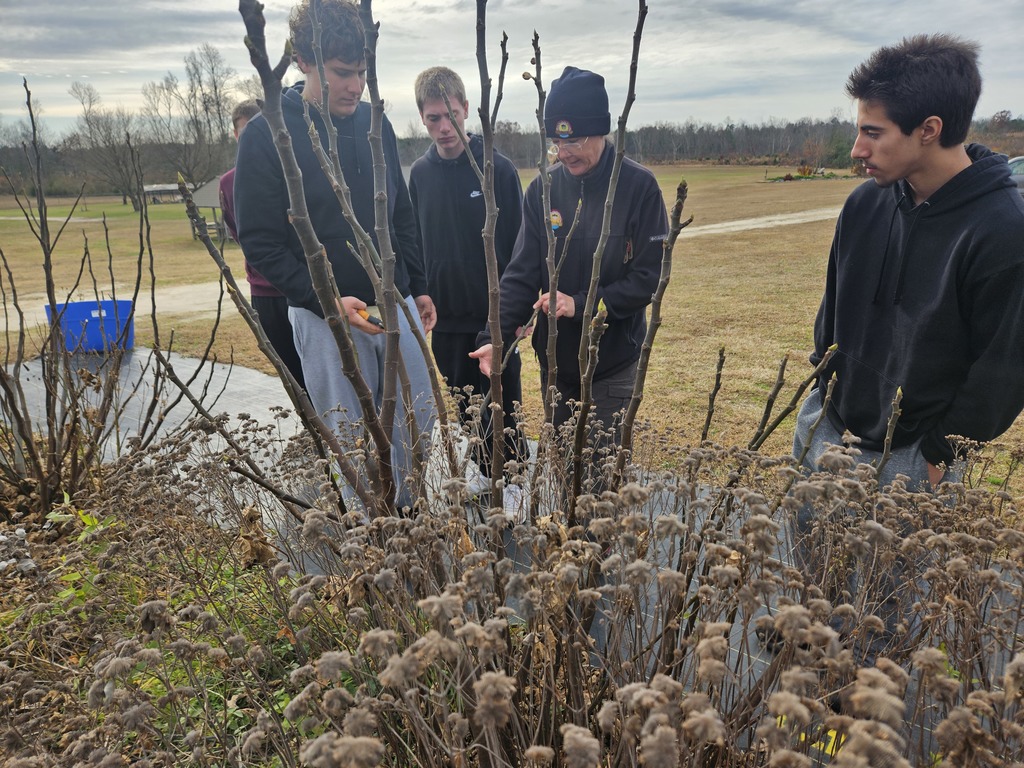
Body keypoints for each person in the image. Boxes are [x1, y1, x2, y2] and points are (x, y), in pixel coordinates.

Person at [794, 33, 1024, 490]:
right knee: (804, 562)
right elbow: (833, 311)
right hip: (827, 431)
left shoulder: (1005, 229)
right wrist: (821, 399)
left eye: (872, 132)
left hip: (915, 462)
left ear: (929, 129)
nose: (858, 149)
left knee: (891, 568)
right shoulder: (863, 205)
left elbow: (1003, 370)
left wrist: (938, 455)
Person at [233, 0, 436, 509]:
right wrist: (324, 299)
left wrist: (414, 286)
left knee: (419, 425)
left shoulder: (375, 123)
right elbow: (261, 241)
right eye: (344, 73)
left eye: (363, 72)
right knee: (351, 445)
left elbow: (401, 215)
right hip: (325, 320)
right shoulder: (267, 135)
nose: (356, 85)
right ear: (303, 60)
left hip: (393, 305)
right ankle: (371, 545)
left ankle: (413, 528)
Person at [470, 66, 668, 491]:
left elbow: (650, 277)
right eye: (556, 141)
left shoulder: (639, 188)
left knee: (603, 485)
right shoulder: (542, 191)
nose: (564, 152)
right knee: (564, 475)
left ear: (602, 131)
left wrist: (583, 304)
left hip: (612, 366)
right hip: (555, 366)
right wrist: (495, 336)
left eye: (574, 139)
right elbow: (522, 273)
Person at [408, 66, 528, 508]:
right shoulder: (420, 174)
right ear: (423, 118)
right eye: (434, 118)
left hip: (494, 316)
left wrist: (515, 317)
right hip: (446, 317)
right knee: (464, 404)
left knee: (503, 401)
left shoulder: (498, 168)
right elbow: (415, 243)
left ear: (466, 110)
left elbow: (522, 244)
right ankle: (482, 471)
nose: (444, 127)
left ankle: (512, 482)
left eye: (452, 115)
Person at [220, 99, 306, 390]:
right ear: (235, 135)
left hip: (303, 288)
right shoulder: (228, 183)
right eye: (246, 135)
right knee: (293, 377)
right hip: (265, 292)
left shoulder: (294, 175)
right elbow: (241, 232)